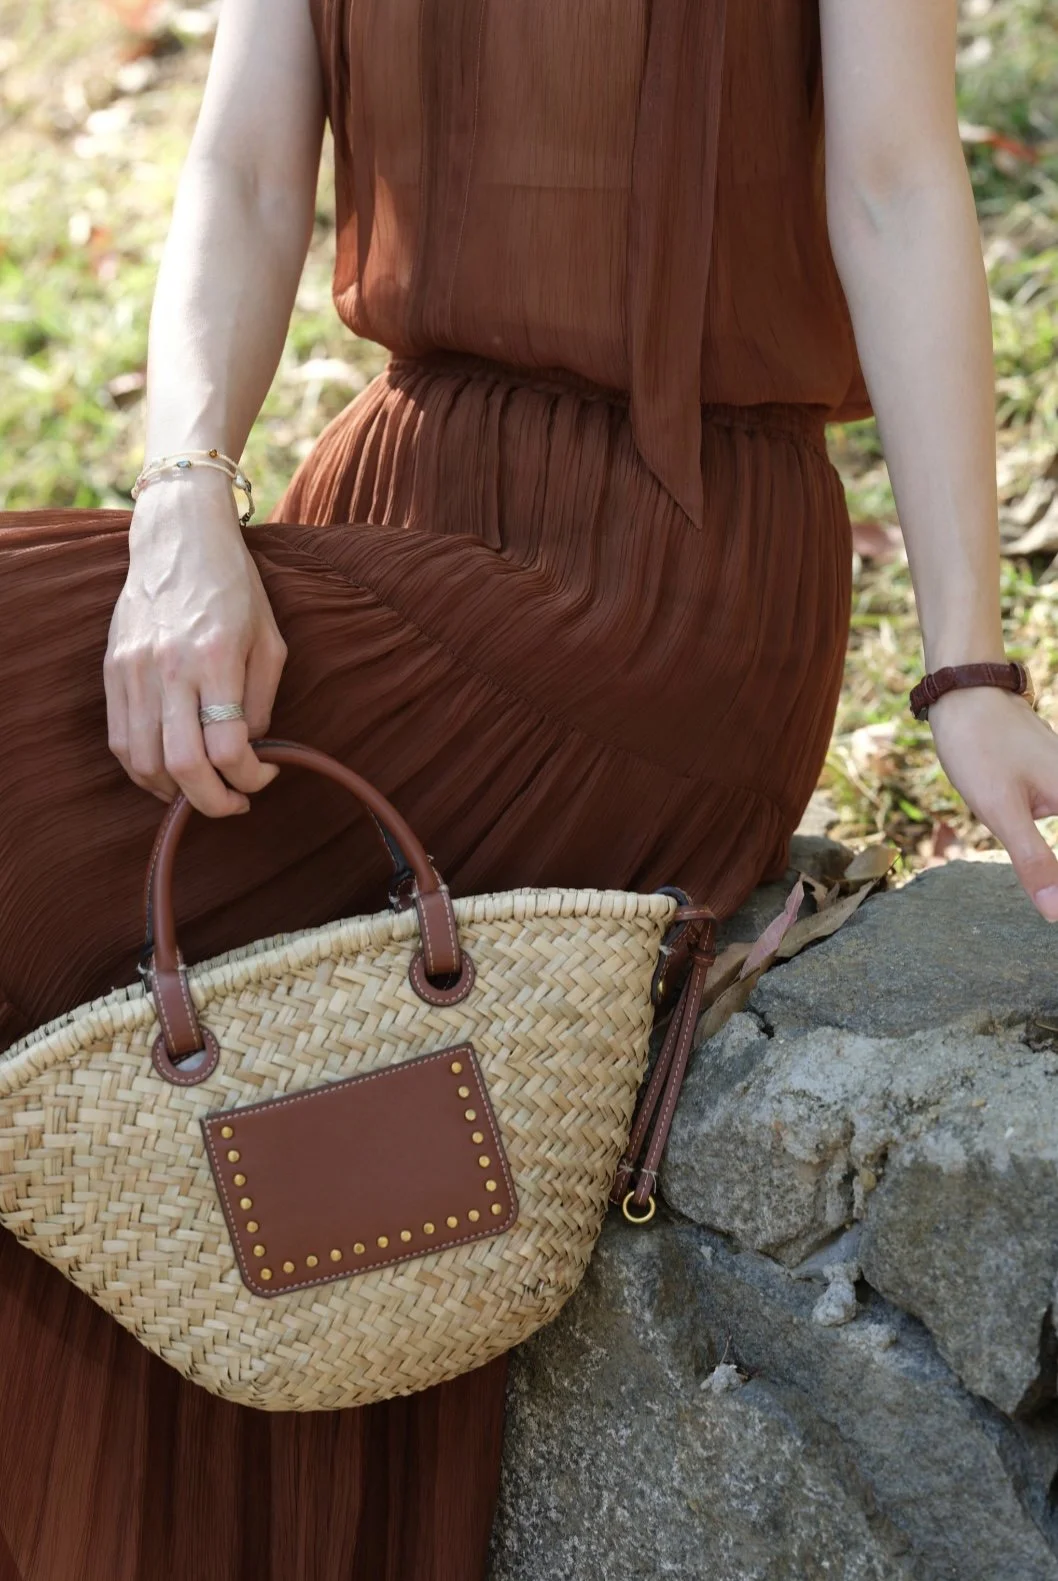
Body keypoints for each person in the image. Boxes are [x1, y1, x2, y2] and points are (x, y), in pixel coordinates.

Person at [1, 1, 1057, 1577]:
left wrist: (965, 666)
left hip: (659, 581)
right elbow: (240, 171)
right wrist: (178, 506)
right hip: (381, 498)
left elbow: (895, 187)